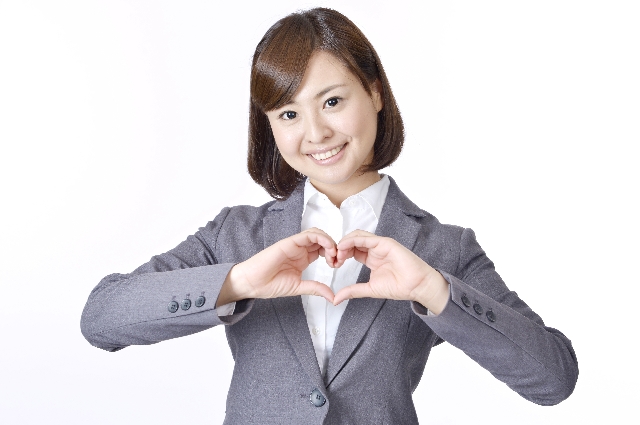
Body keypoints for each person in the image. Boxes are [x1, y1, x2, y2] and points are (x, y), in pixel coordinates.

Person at [80, 7, 578, 424]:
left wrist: (433, 290)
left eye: (333, 101)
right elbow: (101, 318)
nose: (315, 132)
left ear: (375, 93)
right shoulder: (236, 235)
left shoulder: (442, 248)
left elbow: (554, 379)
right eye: (288, 114)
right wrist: (237, 282)